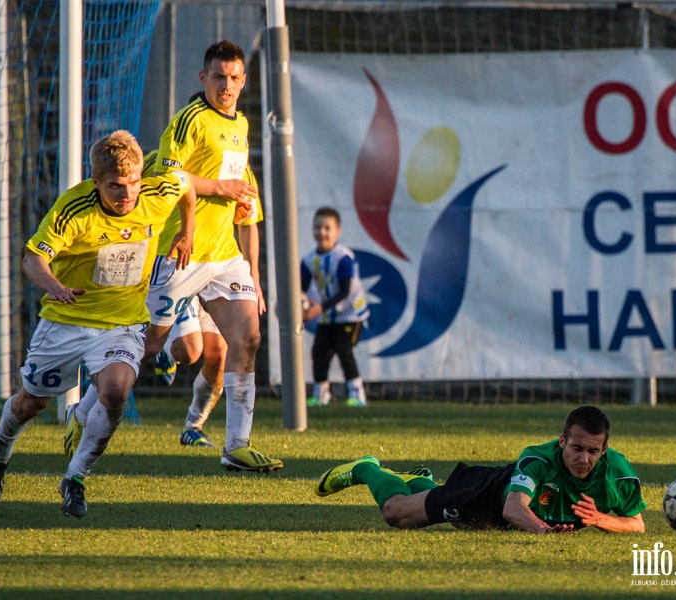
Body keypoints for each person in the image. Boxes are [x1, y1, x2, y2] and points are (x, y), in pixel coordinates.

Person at [66, 39, 281, 472]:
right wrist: (219, 191)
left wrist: (255, 274)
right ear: (203, 78)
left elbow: (246, 210)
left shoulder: (239, 127)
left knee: (249, 338)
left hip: (223, 256)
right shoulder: (189, 121)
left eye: (235, 77)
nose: (227, 85)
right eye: (219, 76)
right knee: (148, 344)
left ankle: (236, 445)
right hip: (180, 253)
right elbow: (167, 177)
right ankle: (81, 411)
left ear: (244, 82)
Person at [0, 130, 195, 518]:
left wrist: (187, 231)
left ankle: (74, 479)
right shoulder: (73, 210)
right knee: (32, 403)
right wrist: (55, 286)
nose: (126, 194)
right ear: (96, 182)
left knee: (116, 391)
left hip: (121, 324)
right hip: (66, 320)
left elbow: (187, 185)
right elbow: (31, 258)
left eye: (132, 184)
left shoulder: (156, 195)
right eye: (114, 186)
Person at [314, 406, 647, 533]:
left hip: (505, 520)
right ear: (561, 441)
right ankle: (365, 468)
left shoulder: (618, 474)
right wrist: (544, 532)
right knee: (396, 515)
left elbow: (637, 523)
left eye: (593, 451)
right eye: (577, 448)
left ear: (604, 450)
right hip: (487, 494)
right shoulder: (537, 460)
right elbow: (513, 507)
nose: (584, 459)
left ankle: (418, 481)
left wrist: (600, 519)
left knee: (437, 513)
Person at [149, 149, 266, 450]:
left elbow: (248, 222)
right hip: (181, 265)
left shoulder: (239, 166)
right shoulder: (162, 162)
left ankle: (194, 426)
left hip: (220, 269)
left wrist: (254, 276)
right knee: (190, 351)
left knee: (219, 354)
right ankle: (163, 350)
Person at [300, 206, 370, 407]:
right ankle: (321, 395)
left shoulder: (343, 257)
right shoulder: (308, 260)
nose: (322, 232)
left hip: (350, 314)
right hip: (327, 315)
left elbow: (345, 291)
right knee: (319, 352)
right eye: (317, 227)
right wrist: (300, 309)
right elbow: (301, 290)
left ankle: (357, 395)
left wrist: (319, 308)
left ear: (337, 232)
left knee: (343, 349)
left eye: (327, 228)